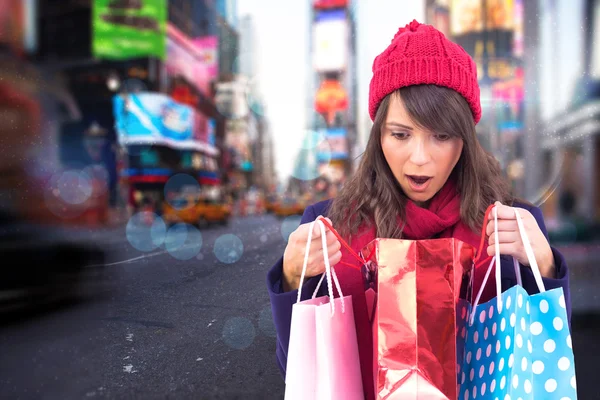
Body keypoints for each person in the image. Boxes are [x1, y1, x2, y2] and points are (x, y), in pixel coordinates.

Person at [266, 20, 571, 399]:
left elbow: (543, 355)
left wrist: (546, 267)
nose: (420, 158)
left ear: (465, 140)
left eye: (441, 136)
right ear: (378, 136)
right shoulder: (330, 228)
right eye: (400, 134)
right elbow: (297, 367)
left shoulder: (510, 225)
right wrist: (292, 278)